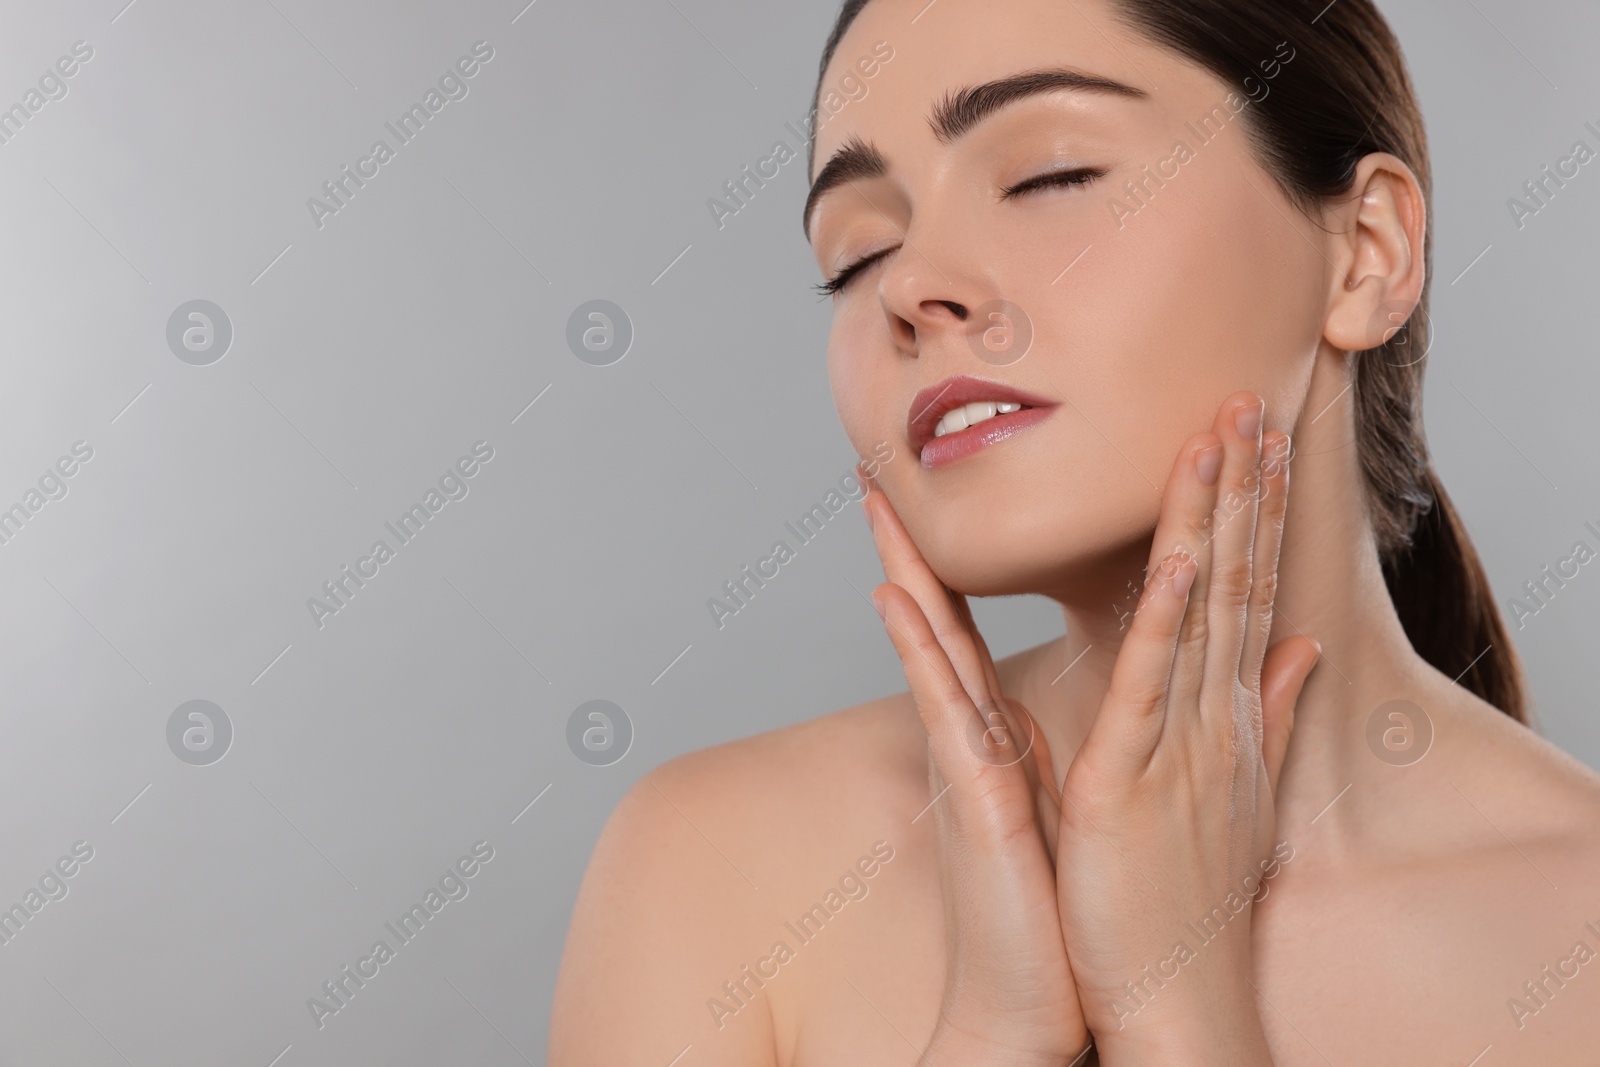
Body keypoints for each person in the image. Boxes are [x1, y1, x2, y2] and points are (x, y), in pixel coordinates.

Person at [551, 0, 1600, 1062]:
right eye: (858, 251)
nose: (910, 287)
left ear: (1367, 250)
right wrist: (994, 1028)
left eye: (1047, 176)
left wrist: (1177, 1012)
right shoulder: (717, 867)